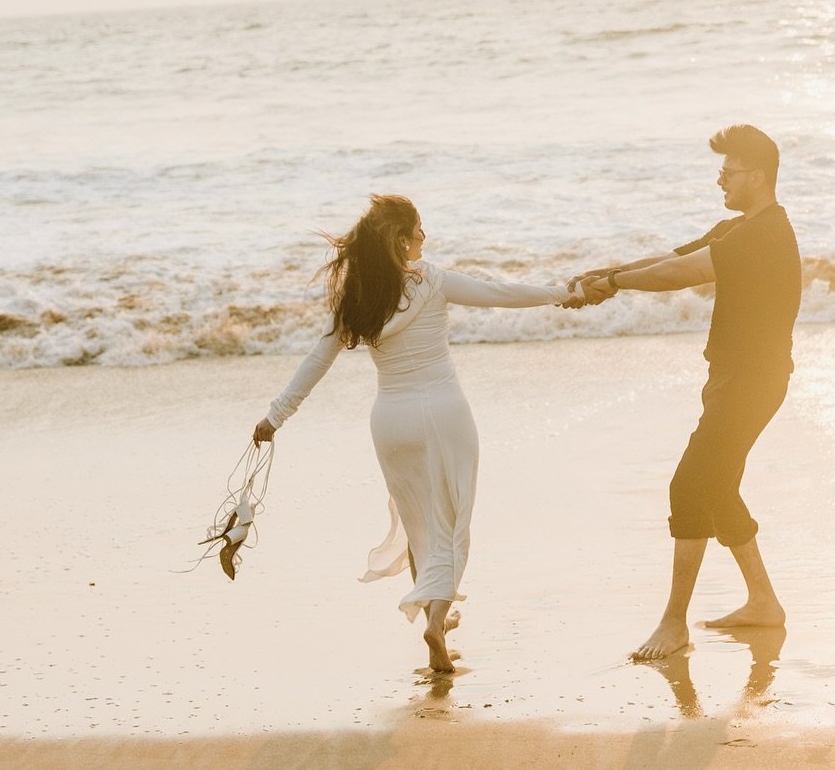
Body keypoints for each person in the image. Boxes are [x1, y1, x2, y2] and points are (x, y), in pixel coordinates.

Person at [252, 195, 570, 674]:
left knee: (419, 525)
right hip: (445, 412)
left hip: (392, 420)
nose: (425, 236)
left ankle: (434, 627)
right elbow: (500, 293)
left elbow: (317, 360)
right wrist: (564, 292)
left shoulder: (360, 296)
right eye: (419, 228)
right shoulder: (432, 281)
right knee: (452, 523)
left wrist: (275, 416)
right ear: (401, 239)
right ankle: (436, 621)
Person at [568, 124, 801, 661]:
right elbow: (670, 258)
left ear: (758, 175)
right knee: (719, 488)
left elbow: (683, 274)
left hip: (752, 383)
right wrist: (609, 273)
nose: (720, 179)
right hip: (733, 379)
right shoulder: (738, 227)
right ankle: (764, 603)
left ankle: (674, 624)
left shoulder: (762, 235)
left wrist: (616, 285)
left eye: (729, 171)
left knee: (689, 486)